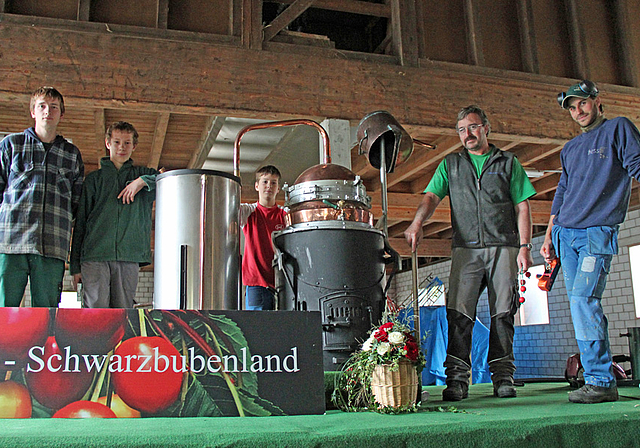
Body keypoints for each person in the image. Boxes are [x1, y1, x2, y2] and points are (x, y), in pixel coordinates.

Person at [404, 105, 536, 401]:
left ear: (486, 128)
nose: (468, 134)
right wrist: (417, 222)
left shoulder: (508, 162)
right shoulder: (451, 164)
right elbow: (431, 196)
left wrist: (525, 247)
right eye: (462, 130)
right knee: (459, 315)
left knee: (503, 313)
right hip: (466, 250)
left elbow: (522, 206)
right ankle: (457, 380)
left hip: (504, 247)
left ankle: (503, 377)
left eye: (473, 127)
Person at [541, 80, 640, 403]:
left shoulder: (618, 129)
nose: (577, 111)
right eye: (571, 107)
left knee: (585, 301)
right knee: (578, 305)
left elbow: (638, 164)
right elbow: (563, 193)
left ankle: (600, 380)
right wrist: (549, 234)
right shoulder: (569, 149)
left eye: (582, 103)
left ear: (597, 101)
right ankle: (597, 377)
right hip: (564, 234)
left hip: (596, 232)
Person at [0, 86, 84, 307]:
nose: (48, 111)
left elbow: (76, 203)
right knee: (4, 310)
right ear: (33, 112)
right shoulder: (11, 145)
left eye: (54, 107)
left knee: (46, 313)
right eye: (42, 106)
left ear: (61, 114)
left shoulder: (71, 154)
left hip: (53, 245)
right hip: (10, 244)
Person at [70, 121, 159, 308]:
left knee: (122, 315)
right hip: (95, 256)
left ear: (134, 146)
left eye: (127, 143)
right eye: (117, 142)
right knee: (95, 315)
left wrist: (141, 181)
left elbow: (169, 181)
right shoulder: (94, 180)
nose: (122, 147)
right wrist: (75, 266)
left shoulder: (143, 174)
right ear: (107, 143)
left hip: (129, 256)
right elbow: (81, 224)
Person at [240, 165, 287, 310]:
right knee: (257, 327)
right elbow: (225, 205)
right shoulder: (247, 212)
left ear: (278, 188)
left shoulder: (285, 215)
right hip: (256, 283)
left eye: (273, 183)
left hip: (283, 283)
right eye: (265, 182)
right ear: (256, 186)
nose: (269, 186)